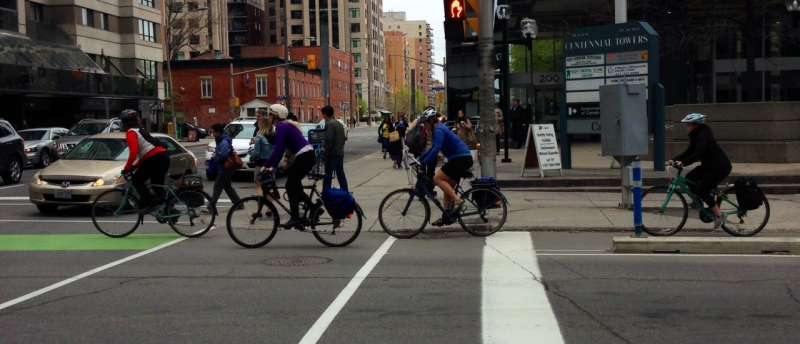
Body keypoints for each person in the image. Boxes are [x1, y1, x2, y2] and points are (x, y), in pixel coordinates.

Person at [671, 113, 732, 228]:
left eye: (688, 124)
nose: (687, 127)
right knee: (689, 178)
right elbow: (689, 151)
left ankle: (719, 215)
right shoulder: (696, 135)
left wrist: (683, 163)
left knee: (702, 188)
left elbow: (699, 153)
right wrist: (674, 160)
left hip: (719, 167)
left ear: (695, 125)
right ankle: (703, 200)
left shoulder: (704, 136)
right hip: (709, 165)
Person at [261, 104, 316, 228]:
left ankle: (295, 218)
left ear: (276, 116)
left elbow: (278, 150)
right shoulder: (283, 126)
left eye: (270, 114)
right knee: (294, 186)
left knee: (290, 186)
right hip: (305, 156)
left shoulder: (282, 126)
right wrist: (269, 164)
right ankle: (312, 208)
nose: (268, 117)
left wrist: (269, 166)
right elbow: (276, 144)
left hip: (305, 157)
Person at [418, 108, 474, 225]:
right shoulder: (437, 129)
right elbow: (433, 148)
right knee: (446, 189)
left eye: (425, 123)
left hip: (461, 158)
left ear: (431, 121)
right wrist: (421, 158)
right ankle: (447, 216)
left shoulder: (439, 130)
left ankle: (458, 200)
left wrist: (425, 162)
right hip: (460, 158)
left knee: (437, 178)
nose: (425, 126)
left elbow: (437, 148)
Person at [119, 109, 170, 212]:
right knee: (157, 187)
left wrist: (127, 168)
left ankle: (150, 202)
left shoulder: (131, 132)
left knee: (136, 181)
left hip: (155, 158)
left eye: (122, 122)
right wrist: (135, 166)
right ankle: (168, 210)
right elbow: (144, 155)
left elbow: (134, 153)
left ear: (125, 122)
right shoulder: (141, 130)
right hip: (162, 157)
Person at [207, 123, 241, 214]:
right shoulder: (221, 139)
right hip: (226, 167)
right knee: (227, 186)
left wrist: (216, 157)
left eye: (213, 132)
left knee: (217, 187)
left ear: (218, 132)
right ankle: (238, 204)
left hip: (226, 167)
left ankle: (211, 207)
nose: (212, 134)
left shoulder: (223, 141)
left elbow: (223, 155)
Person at [322, 105, 348, 191]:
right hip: (340, 153)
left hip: (332, 154)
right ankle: (345, 191)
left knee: (328, 174)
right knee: (340, 173)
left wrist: (326, 152)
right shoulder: (339, 124)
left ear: (325, 115)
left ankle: (326, 192)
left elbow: (329, 140)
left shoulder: (329, 124)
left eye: (323, 114)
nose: (323, 117)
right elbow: (344, 139)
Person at [251, 109, 274, 198]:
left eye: (258, 117)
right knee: (270, 184)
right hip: (271, 161)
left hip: (261, 162)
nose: (257, 119)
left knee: (258, 182)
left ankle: (260, 201)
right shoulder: (273, 132)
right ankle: (270, 209)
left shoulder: (259, 134)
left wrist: (251, 157)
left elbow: (256, 152)